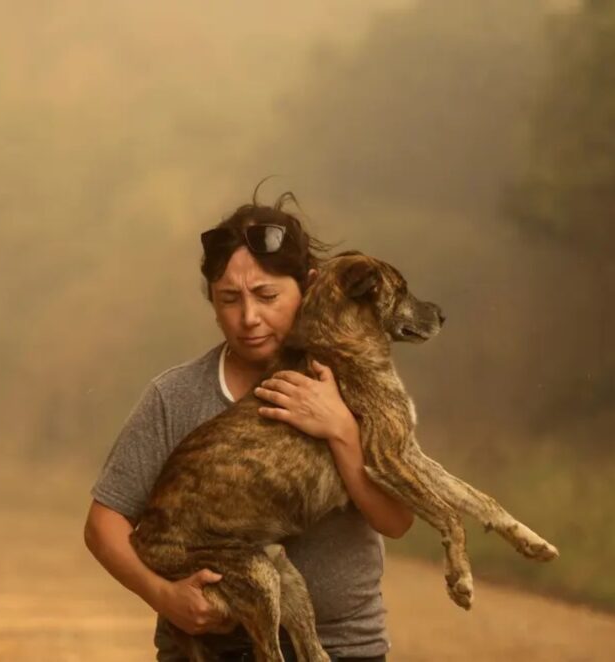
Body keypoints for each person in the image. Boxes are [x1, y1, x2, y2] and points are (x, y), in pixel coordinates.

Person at [83, 193, 414, 661]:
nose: (249, 318)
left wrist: (340, 428)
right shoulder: (176, 396)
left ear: (311, 287)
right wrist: (164, 597)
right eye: (229, 299)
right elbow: (104, 524)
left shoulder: (355, 385)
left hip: (344, 648)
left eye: (267, 295)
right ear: (212, 302)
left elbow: (396, 520)